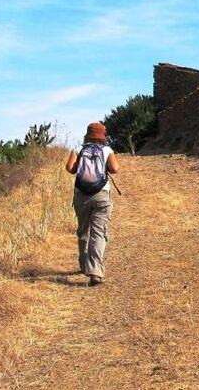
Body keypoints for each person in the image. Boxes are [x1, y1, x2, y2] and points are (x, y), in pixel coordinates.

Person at [65, 122, 120, 286]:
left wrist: (79, 162)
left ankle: (84, 266)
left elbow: (70, 168)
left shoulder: (79, 149)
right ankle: (95, 271)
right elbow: (115, 169)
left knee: (83, 231)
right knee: (98, 232)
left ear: (87, 134)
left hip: (81, 196)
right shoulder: (107, 150)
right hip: (101, 195)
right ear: (103, 135)